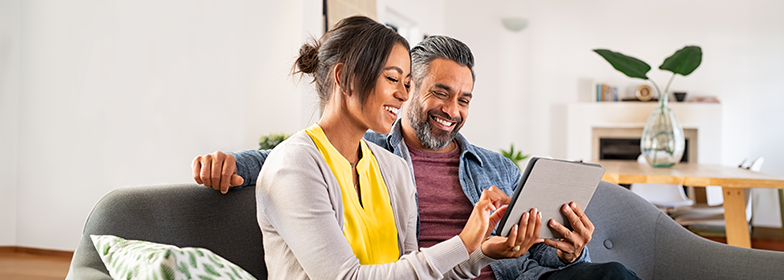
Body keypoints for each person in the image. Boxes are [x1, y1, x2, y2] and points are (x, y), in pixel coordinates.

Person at [193, 34, 639, 280]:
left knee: (613, 276)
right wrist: (232, 163)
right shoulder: (369, 154)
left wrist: (565, 253)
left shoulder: (488, 167)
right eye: (438, 92)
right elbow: (294, 159)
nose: (452, 110)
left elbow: (519, 255)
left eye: (464, 99)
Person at [248, 16, 540, 280]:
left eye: (407, 83)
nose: (402, 95)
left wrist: (483, 250)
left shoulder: (393, 168)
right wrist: (463, 242)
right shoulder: (294, 164)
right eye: (392, 79)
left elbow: (414, 272)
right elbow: (345, 278)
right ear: (344, 77)